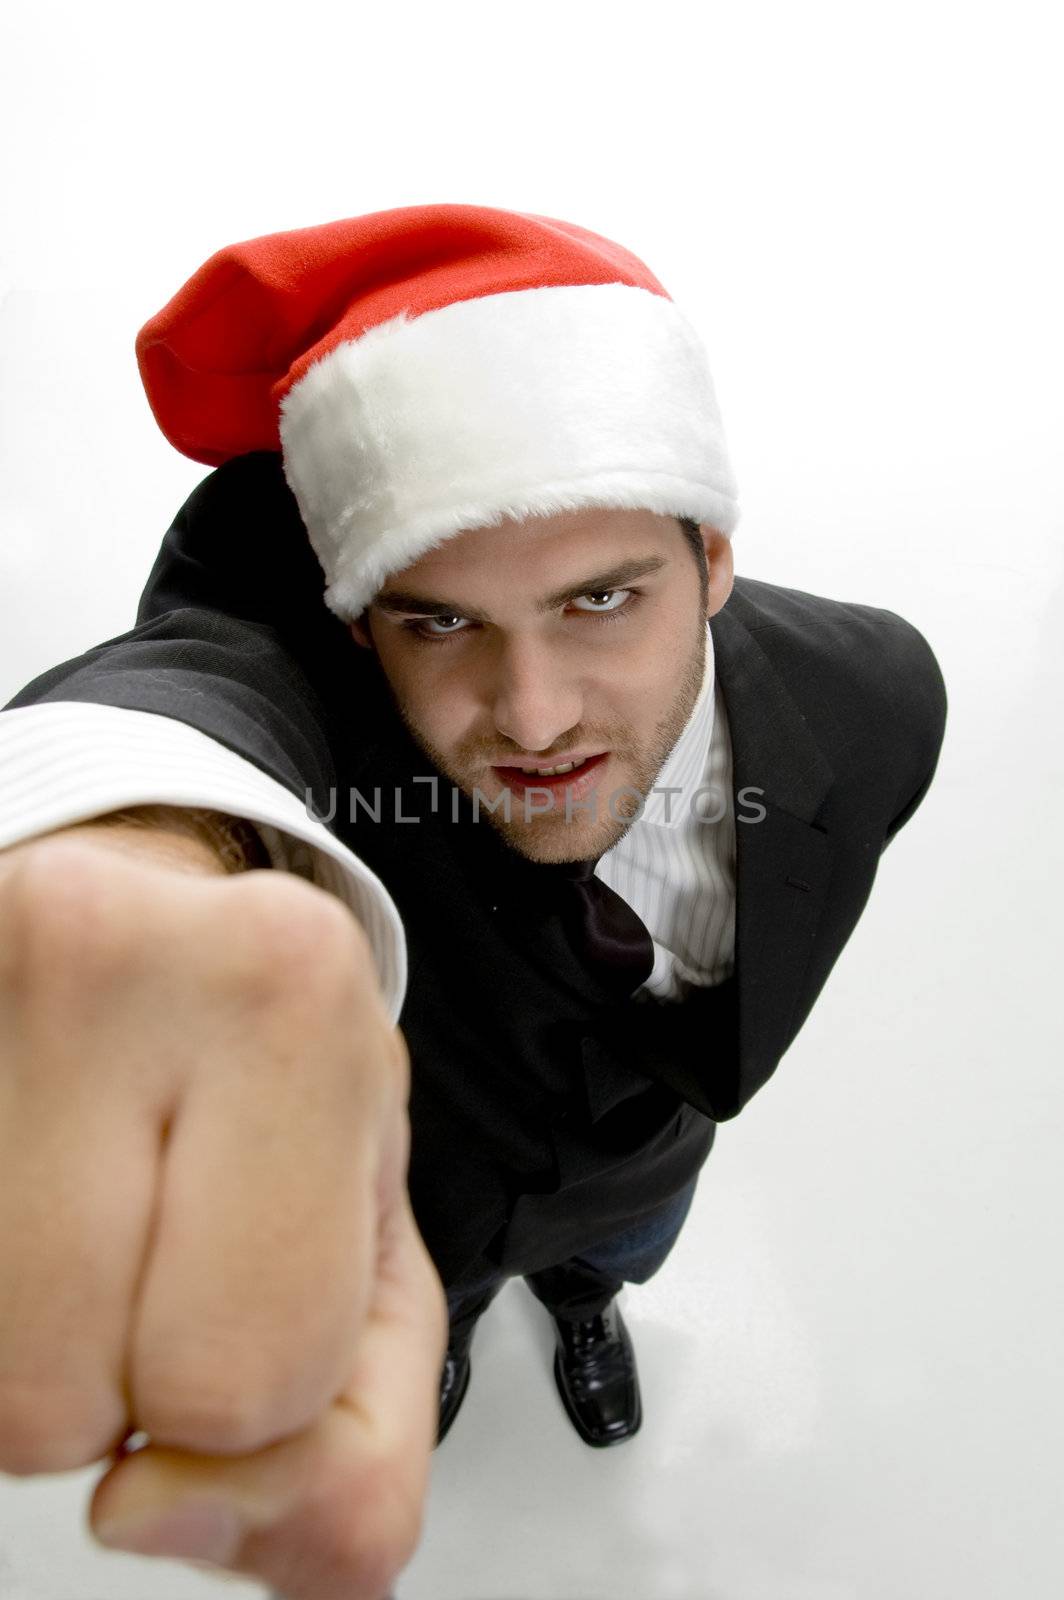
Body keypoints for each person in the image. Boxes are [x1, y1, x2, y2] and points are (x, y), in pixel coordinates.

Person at [0, 203, 948, 1598]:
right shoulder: (326, 696)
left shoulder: (878, 700)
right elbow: (202, 686)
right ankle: (457, 1331)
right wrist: (123, 844)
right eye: (442, 622)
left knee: (610, 1261)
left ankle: (584, 1313)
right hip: (426, 1204)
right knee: (447, 1296)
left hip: (647, 1171)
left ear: (715, 560)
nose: (534, 714)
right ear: (360, 622)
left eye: (601, 600)